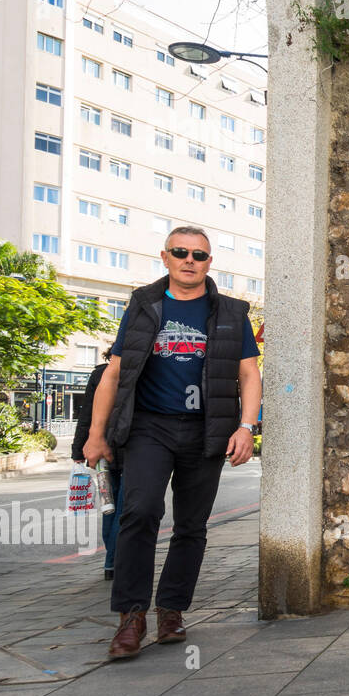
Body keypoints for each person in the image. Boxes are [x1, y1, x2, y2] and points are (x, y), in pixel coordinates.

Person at [82, 226, 261, 660]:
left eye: (199, 255)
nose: (189, 260)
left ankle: (171, 610)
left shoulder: (232, 312)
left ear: (209, 263)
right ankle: (131, 617)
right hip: (150, 426)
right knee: (139, 511)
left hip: (207, 429)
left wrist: (246, 427)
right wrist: (95, 433)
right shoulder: (144, 304)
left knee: (191, 526)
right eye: (181, 252)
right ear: (165, 257)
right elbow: (114, 373)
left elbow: (249, 374)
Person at [71, 344, 125, 579]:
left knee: (109, 506)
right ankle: (115, 560)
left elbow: (87, 416)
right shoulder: (135, 371)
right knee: (124, 508)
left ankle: (110, 562)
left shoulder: (98, 374)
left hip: (103, 452)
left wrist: (78, 450)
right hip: (129, 447)